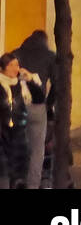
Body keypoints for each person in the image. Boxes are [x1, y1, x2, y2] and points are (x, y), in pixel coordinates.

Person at [15, 31, 52, 189]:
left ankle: (17, 180)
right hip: (37, 106)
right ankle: (33, 185)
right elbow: (57, 83)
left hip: (16, 106)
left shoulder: (15, 54)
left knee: (17, 144)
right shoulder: (50, 56)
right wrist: (50, 105)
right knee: (37, 150)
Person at [0, 54, 35, 188]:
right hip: (3, 137)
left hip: (19, 137)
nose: (16, 68)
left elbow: (38, 99)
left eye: (17, 65)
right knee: (4, 176)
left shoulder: (21, 85)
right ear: (2, 68)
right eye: (11, 65)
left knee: (19, 176)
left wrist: (30, 79)